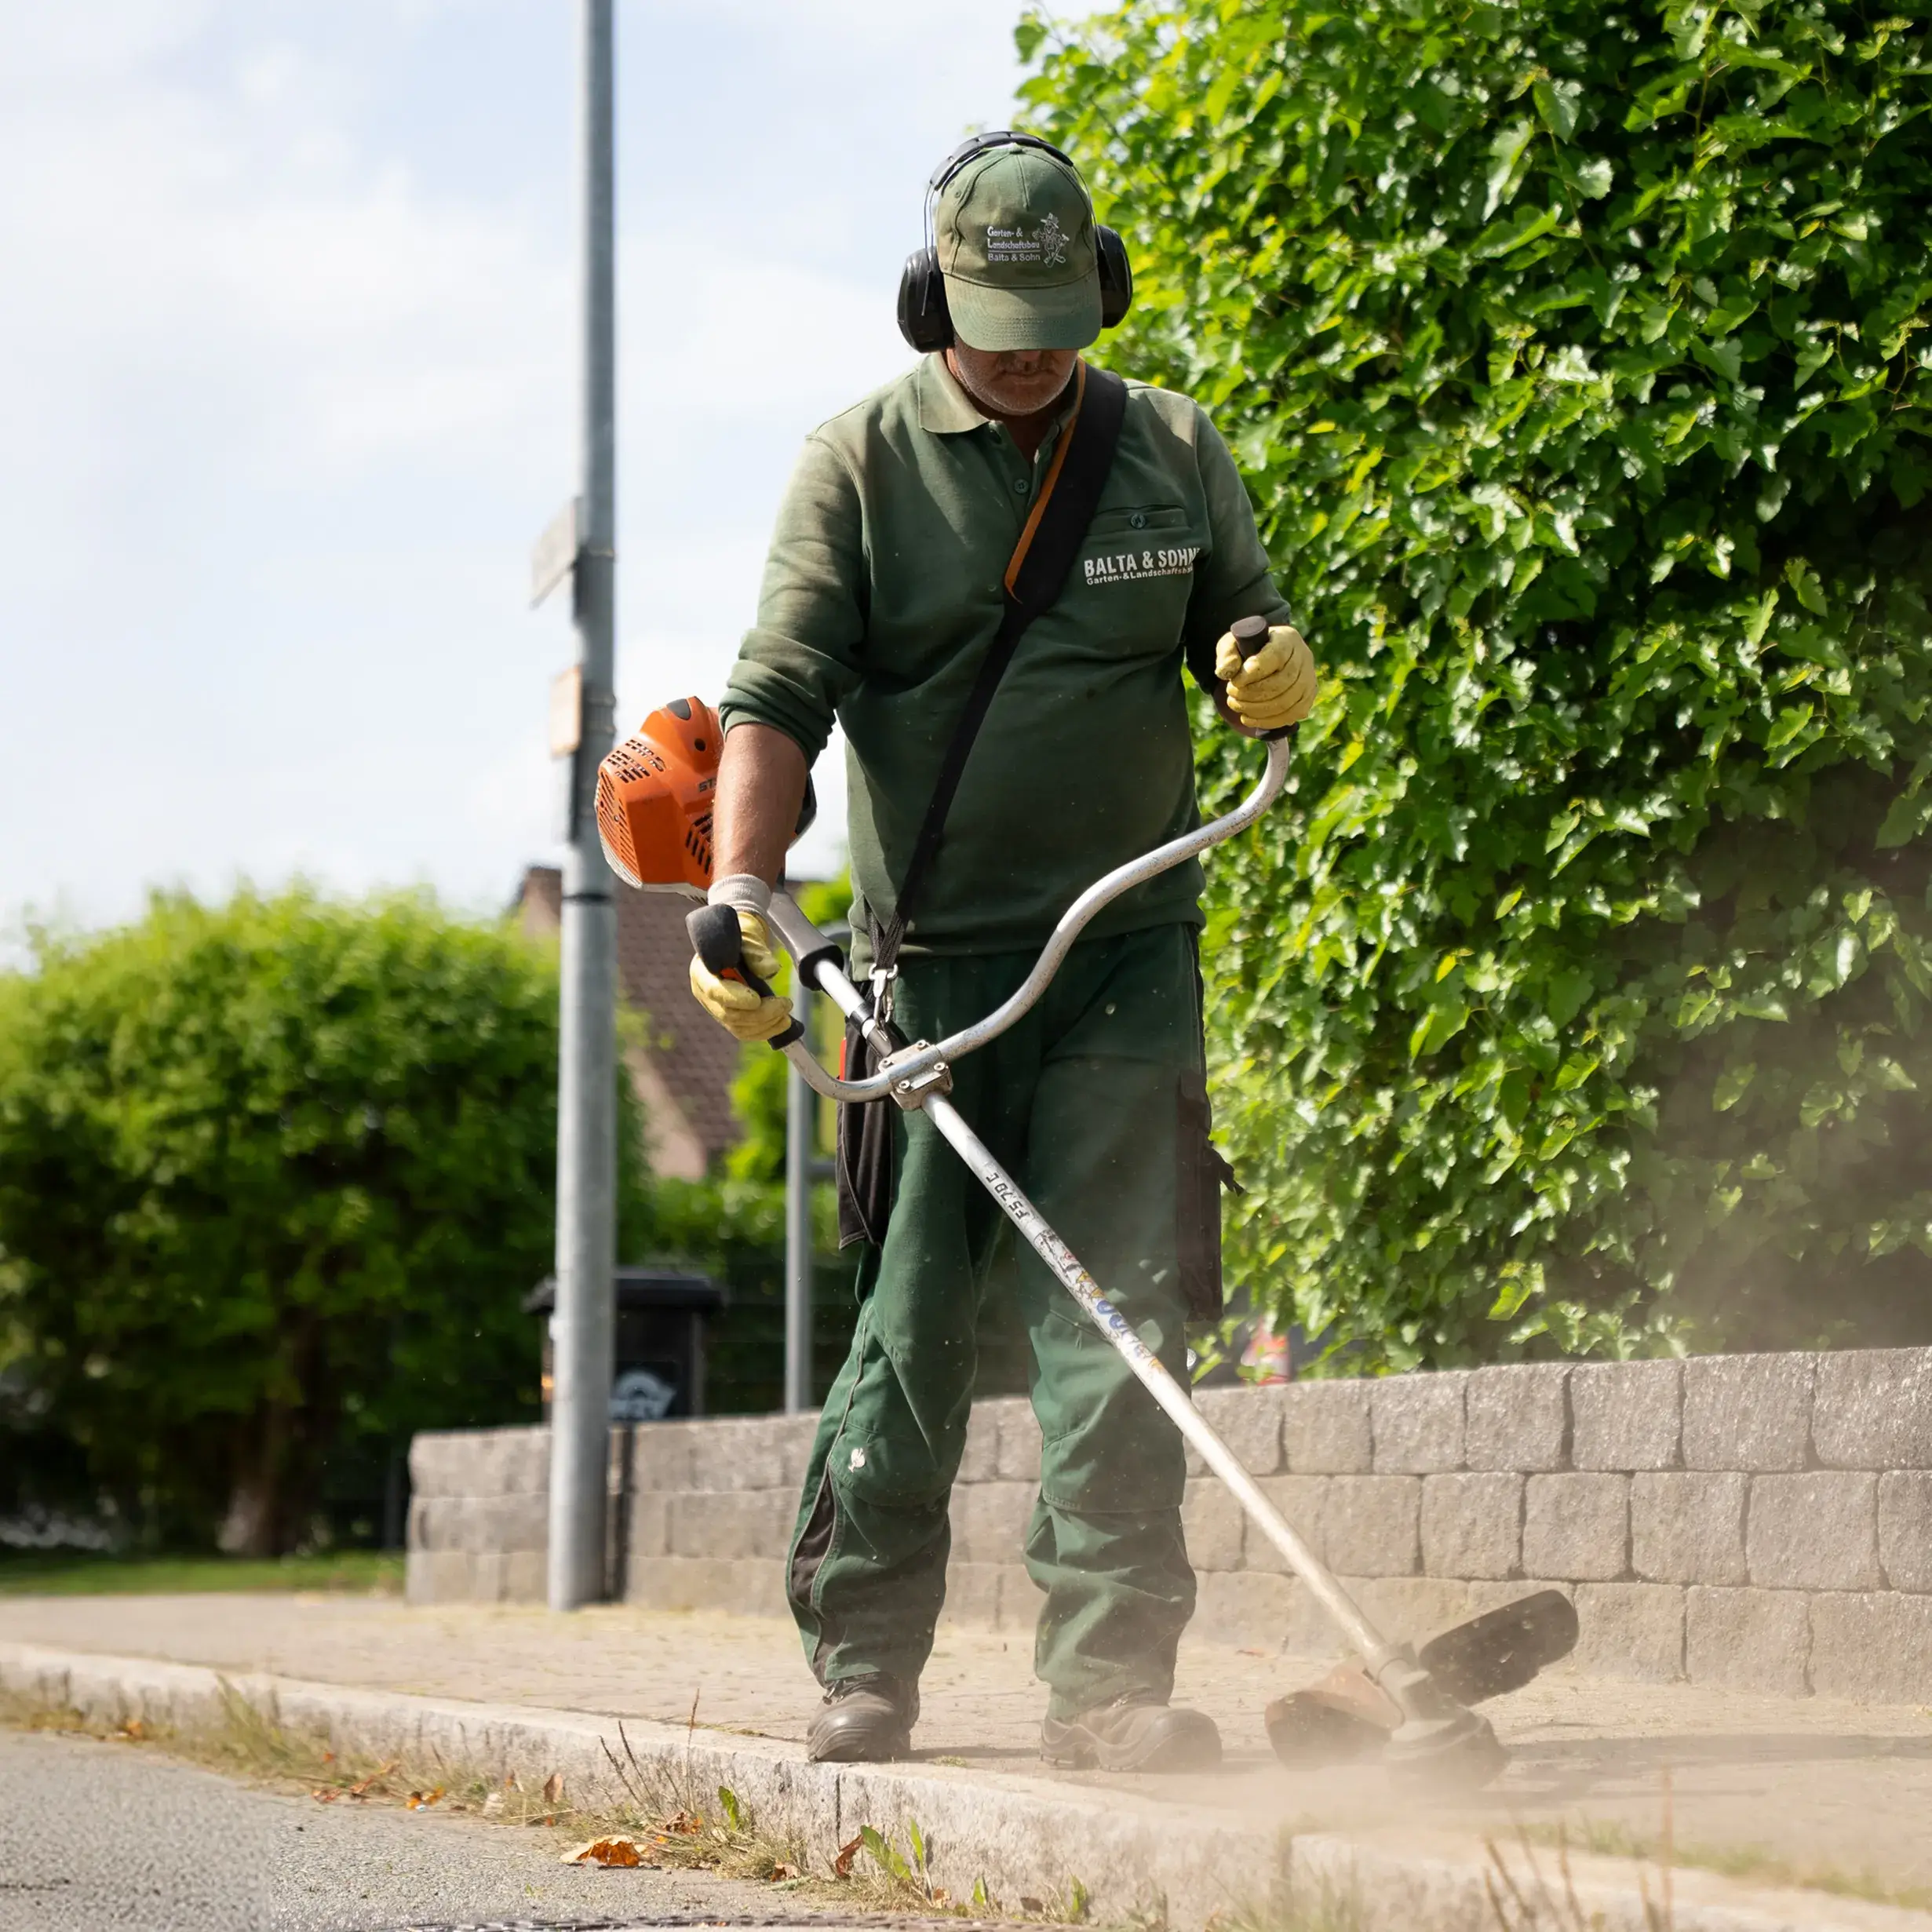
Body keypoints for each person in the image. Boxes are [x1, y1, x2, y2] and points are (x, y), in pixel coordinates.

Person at [686, 134, 1317, 1773]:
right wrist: (746, 892)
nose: (1029, 346)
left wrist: (1263, 663)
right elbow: (776, 700)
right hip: (933, 976)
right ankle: (866, 1665)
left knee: (1123, 1323)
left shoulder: (1170, 447)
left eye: (1056, 308)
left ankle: (1110, 1690)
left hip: (1123, 953)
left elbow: (1243, 623)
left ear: (1097, 287)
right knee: (909, 1339)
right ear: (927, 301)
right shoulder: (861, 466)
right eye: (992, 312)